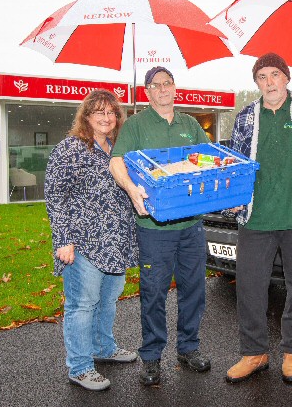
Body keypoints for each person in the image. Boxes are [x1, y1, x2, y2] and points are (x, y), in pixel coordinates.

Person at [226, 52, 292, 384]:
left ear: (286, 78)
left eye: (275, 75)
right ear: (256, 82)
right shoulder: (245, 117)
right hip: (255, 219)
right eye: (262, 77)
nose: (269, 82)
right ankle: (254, 352)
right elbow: (236, 164)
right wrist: (232, 196)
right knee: (249, 287)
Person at [109, 66, 212, 386]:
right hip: (154, 228)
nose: (164, 89)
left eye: (168, 83)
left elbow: (206, 161)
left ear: (174, 88)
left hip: (191, 225)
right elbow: (116, 162)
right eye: (157, 85)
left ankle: (188, 348)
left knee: (194, 290)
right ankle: (152, 357)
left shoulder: (190, 124)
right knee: (153, 294)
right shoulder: (136, 126)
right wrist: (131, 188)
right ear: (147, 91)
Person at [44, 89, 138, 391]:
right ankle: (81, 367)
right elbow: (56, 196)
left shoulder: (119, 149)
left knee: (108, 300)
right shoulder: (70, 149)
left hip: (116, 241)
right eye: (99, 112)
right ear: (86, 116)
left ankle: (103, 348)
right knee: (82, 305)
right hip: (83, 243)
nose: (107, 117)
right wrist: (63, 239)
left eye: (111, 112)